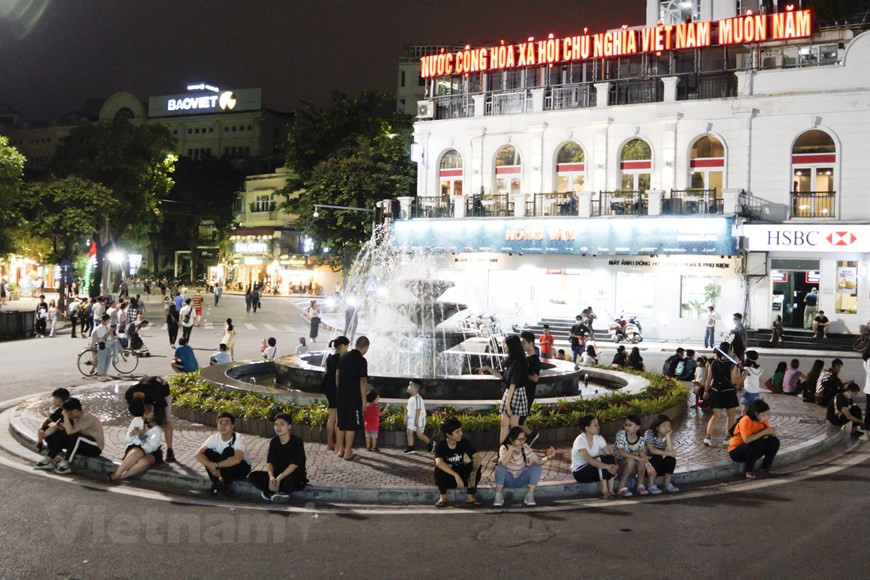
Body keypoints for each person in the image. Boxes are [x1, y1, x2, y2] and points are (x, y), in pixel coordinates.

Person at [35, 398, 105, 474]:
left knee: (76, 436)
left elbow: (70, 432)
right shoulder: (74, 418)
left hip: (95, 447)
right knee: (62, 432)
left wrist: (65, 415)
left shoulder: (88, 418)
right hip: (82, 445)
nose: (68, 415)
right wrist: (41, 437)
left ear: (75, 411)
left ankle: (66, 463)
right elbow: (59, 429)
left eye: (68, 413)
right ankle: (49, 459)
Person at [248, 413, 308, 502]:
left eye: (282, 424)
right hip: (277, 474)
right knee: (253, 476)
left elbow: (295, 464)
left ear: (289, 426)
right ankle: (273, 492)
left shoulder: (297, 442)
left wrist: (279, 478)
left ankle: (280, 493)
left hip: (292, 475)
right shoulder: (274, 441)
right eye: (276, 424)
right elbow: (269, 462)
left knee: (291, 481)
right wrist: (271, 477)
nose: (278, 427)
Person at [493, 426, 555, 507]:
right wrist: (511, 449)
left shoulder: (525, 447)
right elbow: (503, 463)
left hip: (520, 479)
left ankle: (529, 496)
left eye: (524, 439)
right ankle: (498, 496)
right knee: (499, 467)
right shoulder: (504, 447)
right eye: (519, 439)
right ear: (511, 440)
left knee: (536, 467)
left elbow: (538, 461)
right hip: (507, 479)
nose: (522, 442)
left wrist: (549, 457)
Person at [483, 335, 528, 442]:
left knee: (513, 425)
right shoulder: (512, 360)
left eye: (505, 344)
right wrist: (489, 369)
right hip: (510, 393)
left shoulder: (519, 362)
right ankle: (502, 448)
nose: (503, 346)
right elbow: (504, 377)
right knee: (504, 424)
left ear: (511, 346)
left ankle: (515, 449)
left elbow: (513, 383)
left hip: (516, 393)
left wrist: (508, 404)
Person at [195, 412, 251, 496]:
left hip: (240, 468)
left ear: (232, 426)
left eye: (226, 423)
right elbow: (198, 454)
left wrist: (216, 465)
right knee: (207, 452)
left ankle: (225, 484)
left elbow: (237, 459)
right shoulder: (214, 438)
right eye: (220, 423)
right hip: (222, 468)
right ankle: (217, 484)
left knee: (228, 451)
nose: (223, 426)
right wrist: (210, 465)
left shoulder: (238, 438)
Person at [107, 402, 165, 482]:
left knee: (147, 460)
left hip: (150, 450)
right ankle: (116, 474)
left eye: (151, 411)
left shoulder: (157, 430)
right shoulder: (137, 420)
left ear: (156, 414)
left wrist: (142, 437)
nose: (147, 411)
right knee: (137, 452)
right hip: (135, 447)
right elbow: (127, 440)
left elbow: (149, 449)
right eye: (147, 409)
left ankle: (122, 476)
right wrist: (133, 433)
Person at [433, 417, 483, 507]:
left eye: (460, 430)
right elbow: (439, 462)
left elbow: (477, 458)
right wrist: (456, 475)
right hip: (448, 477)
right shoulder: (441, 445)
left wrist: (473, 472)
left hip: (462, 476)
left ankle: (470, 497)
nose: (460, 434)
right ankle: (443, 497)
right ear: (448, 434)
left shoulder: (464, 442)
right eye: (457, 432)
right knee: (439, 470)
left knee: (476, 466)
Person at [124, 376, 176, 462]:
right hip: (146, 387)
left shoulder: (155, 395)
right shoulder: (129, 395)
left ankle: (169, 450)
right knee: (145, 419)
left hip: (162, 387)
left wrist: (155, 422)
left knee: (166, 420)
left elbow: (160, 409)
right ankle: (145, 442)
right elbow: (138, 413)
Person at [335, 335, 370, 460]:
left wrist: (339, 389)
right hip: (354, 398)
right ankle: (348, 452)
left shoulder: (343, 356)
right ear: (365, 347)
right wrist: (364, 400)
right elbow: (363, 381)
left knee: (341, 424)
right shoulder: (361, 360)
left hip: (341, 396)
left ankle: (340, 449)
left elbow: (337, 375)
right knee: (351, 425)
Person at [703, 342, 743, 447]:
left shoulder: (714, 362)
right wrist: (744, 375)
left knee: (715, 416)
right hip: (729, 393)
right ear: (729, 351)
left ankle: (707, 437)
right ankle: (727, 439)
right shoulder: (732, 365)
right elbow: (734, 382)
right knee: (730, 416)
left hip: (716, 392)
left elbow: (708, 378)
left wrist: (706, 391)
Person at [728, 399, 780, 479]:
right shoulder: (746, 420)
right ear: (756, 414)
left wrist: (773, 432)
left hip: (753, 449)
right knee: (757, 442)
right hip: (737, 451)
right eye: (764, 415)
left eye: (767, 415)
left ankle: (765, 468)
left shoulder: (763, 420)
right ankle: (748, 471)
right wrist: (764, 432)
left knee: (774, 441)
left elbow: (769, 434)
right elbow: (747, 440)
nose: (766, 417)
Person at [570, 414, 618, 498]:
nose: (598, 427)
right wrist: (607, 467)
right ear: (587, 428)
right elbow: (590, 460)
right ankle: (604, 490)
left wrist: (614, 466)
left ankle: (611, 489)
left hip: (594, 470)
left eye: (598, 424)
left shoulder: (599, 438)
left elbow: (608, 454)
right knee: (600, 459)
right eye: (595, 425)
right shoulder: (580, 440)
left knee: (609, 457)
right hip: (580, 473)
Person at [323, 336, 350, 453]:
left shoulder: (329, 358)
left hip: (328, 388)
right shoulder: (342, 358)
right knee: (339, 417)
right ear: (342, 346)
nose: (348, 349)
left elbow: (326, 372)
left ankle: (329, 443)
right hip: (337, 389)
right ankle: (339, 446)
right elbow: (339, 376)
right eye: (347, 346)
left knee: (332, 416)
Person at [613, 415, 651, 497]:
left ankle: (640, 486)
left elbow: (642, 454)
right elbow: (621, 452)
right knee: (631, 460)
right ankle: (621, 487)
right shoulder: (621, 434)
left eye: (630, 425)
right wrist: (636, 457)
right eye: (625, 425)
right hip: (619, 467)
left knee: (641, 460)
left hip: (632, 469)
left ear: (637, 427)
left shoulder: (641, 440)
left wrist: (648, 465)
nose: (626, 427)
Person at [644, 414, 680, 493]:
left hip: (658, 466)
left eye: (669, 426)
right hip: (648, 467)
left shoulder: (665, 436)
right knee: (657, 457)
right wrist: (669, 453)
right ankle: (650, 485)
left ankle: (667, 484)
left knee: (671, 459)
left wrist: (667, 436)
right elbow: (652, 450)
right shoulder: (649, 433)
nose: (667, 428)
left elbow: (671, 451)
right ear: (657, 428)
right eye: (664, 426)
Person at [519, 331, 541, 442]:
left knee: (519, 421)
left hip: (528, 394)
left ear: (531, 343)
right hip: (522, 393)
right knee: (517, 420)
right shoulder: (525, 358)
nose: (521, 345)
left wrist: (523, 372)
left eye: (523, 342)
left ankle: (531, 434)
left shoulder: (535, 360)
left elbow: (535, 378)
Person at [35, 388, 71, 452]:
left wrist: (41, 434)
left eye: (53, 398)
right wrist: (41, 430)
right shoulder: (63, 409)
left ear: (59, 399)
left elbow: (55, 426)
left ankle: (50, 451)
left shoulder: (64, 410)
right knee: (46, 429)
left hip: (66, 437)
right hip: (67, 435)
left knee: (51, 434)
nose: (53, 401)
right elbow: (48, 421)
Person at [404, 380, 434, 454]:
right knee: (409, 432)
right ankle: (411, 447)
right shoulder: (411, 398)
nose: (408, 387)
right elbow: (408, 410)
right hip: (411, 419)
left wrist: (416, 421)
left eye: (410, 385)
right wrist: (406, 418)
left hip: (419, 419)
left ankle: (430, 443)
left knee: (419, 435)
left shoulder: (418, 398)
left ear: (416, 389)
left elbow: (418, 410)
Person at [742, 350, 763, 415]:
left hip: (748, 390)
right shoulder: (758, 370)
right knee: (752, 409)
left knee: (745, 409)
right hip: (755, 391)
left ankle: (743, 420)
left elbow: (742, 378)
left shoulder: (746, 369)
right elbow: (760, 379)